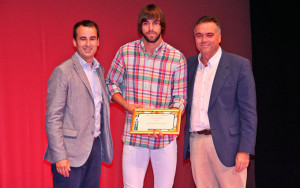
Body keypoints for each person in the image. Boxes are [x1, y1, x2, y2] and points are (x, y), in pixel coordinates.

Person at [106, 4, 187, 188]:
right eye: (146, 23)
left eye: (155, 23)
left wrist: (167, 124)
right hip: (134, 138)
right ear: (140, 26)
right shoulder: (125, 52)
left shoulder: (176, 58)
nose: (151, 28)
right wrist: (128, 106)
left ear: (162, 26)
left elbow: (180, 98)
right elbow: (110, 84)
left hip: (164, 139)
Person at [183, 16, 257, 188]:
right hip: (197, 143)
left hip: (229, 146)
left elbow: (249, 113)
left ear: (219, 37)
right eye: (199, 35)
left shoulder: (239, 65)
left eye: (209, 34)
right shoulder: (188, 65)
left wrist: (244, 150)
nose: (204, 40)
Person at [44, 20, 113, 188]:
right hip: (69, 154)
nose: (88, 44)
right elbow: (53, 117)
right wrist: (60, 156)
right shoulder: (63, 71)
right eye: (83, 39)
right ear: (74, 42)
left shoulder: (99, 71)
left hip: (94, 149)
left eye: (92, 39)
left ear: (98, 42)